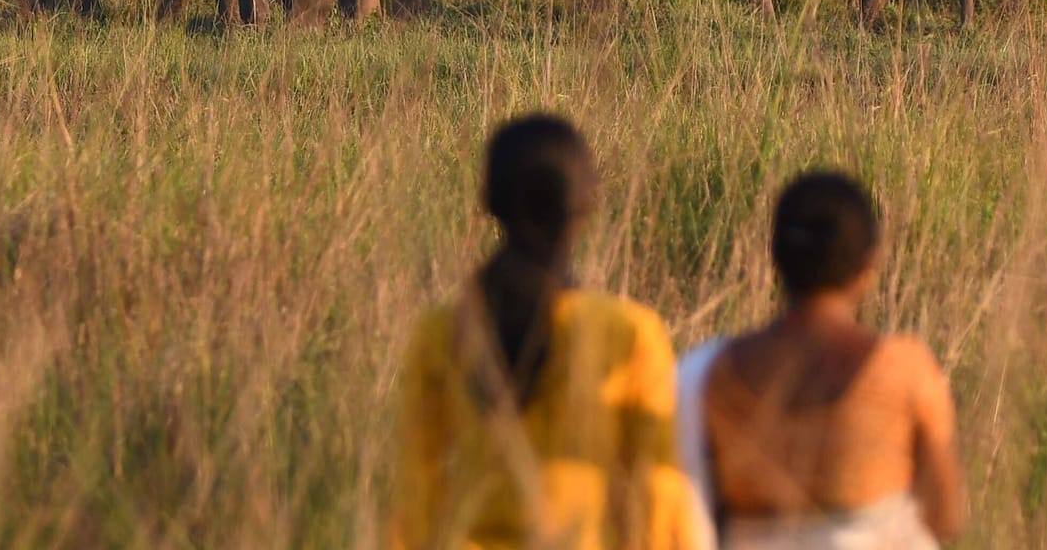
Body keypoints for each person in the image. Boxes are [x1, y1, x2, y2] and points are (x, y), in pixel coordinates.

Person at [387, 113, 713, 550]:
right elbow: (658, 500)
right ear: (588, 202)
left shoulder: (442, 332)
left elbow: (415, 496)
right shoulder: (630, 333)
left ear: (487, 202)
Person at [675, 170, 965, 548]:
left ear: (774, 257)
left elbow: (681, 515)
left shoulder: (703, 375)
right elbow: (946, 515)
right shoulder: (907, 371)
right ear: (869, 266)